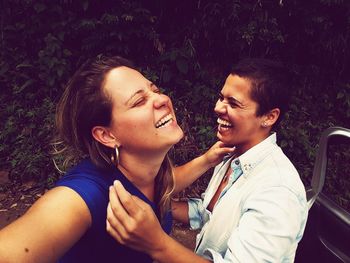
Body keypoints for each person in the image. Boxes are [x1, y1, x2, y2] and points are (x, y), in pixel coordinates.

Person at [0, 55, 234, 262]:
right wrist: (158, 245)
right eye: (139, 101)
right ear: (107, 135)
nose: (162, 99)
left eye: (155, 89)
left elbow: (168, 182)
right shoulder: (84, 196)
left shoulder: (151, 173)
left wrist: (207, 159)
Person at [106, 58, 309, 262]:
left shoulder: (277, 191)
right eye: (222, 98)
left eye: (233, 104)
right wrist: (157, 202)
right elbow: (208, 213)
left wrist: (157, 244)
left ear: (269, 117)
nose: (218, 108)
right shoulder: (231, 155)